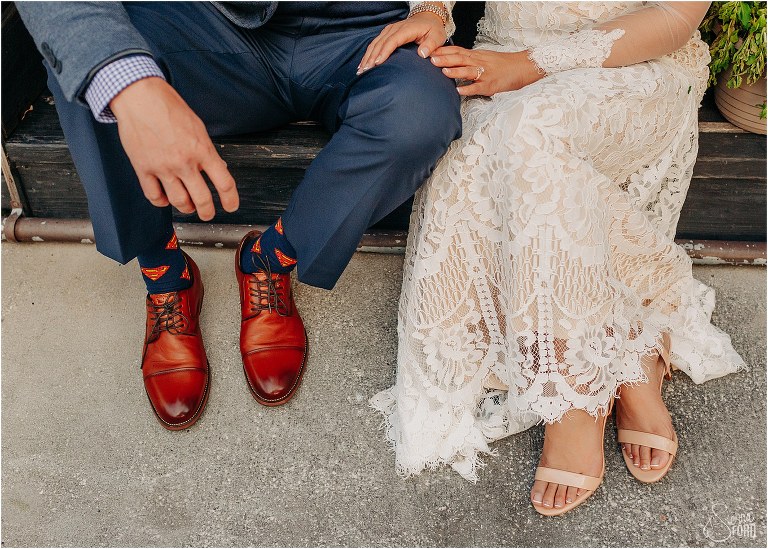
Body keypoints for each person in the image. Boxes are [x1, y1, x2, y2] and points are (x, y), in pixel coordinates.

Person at [371, 1, 745, 516]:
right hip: (499, 53)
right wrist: (434, 12)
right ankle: (633, 348)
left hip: (637, 64)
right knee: (488, 144)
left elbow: (674, 16)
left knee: (529, 130)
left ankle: (575, 391)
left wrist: (528, 65)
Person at [17, 1, 461, 430]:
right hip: (205, 25)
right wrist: (132, 85)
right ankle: (166, 275)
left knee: (420, 112)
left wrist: (435, 7)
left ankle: (268, 259)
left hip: (363, 30)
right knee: (93, 66)